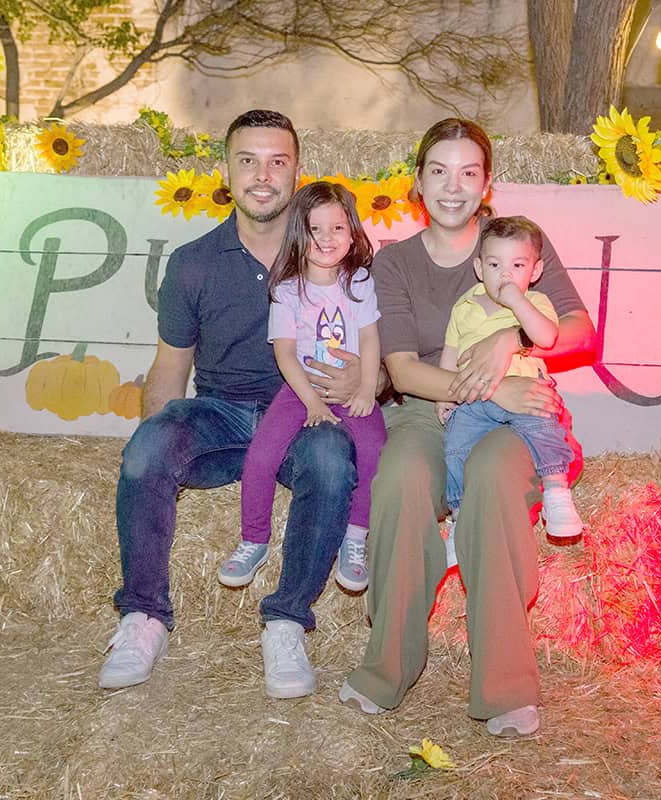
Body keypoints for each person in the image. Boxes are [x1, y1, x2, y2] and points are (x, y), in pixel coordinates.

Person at [339, 118, 597, 737]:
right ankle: (386, 668)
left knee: (490, 478)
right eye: (438, 170)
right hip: (432, 407)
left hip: (518, 414)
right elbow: (401, 368)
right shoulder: (395, 262)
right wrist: (489, 382)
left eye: (468, 172)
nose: (452, 187)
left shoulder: (516, 243)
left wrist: (511, 332)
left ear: (488, 184)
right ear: (417, 183)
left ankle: (506, 684)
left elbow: (581, 330)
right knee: (400, 479)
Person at [99, 110, 364, 701]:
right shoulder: (193, 262)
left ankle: (287, 622)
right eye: (248, 160)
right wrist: (156, 449)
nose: (262, 175)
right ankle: (143, 618)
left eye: (277, 161)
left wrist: (361, 380)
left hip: (302, 414)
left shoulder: (334, 259)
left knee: (329, 461)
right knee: (148, 450)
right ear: (226, 170)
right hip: (220, 411)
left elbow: (378, 349)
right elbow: (171, 368)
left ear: (298, 171)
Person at [219, 181, 386, 594]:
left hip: (350, 389)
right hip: (300, 390)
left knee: (373, 449)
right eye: (316, 229)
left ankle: (355, 537)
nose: (327, 239)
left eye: (338, 228)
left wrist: (366, 388)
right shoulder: (287, 288)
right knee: (261, 455)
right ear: (299, 233)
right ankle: (253, 539)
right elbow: (286, 354)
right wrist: (311, 402)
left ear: (353, 232)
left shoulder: (359, 281)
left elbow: (369, 338)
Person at [436, 215, 583, 568]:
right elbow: (451, 352)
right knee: (455, 447)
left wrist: (518, 303)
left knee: (544, 426)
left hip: (525, 391)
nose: (505, 274)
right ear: (478, 267)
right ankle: (458, 517)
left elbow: (547, 337)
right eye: (494, 264)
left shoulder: (537, 302)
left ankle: (556, 491)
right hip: (474, 397)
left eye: (517, 265)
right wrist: (444, 393)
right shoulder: (465, 306)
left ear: (534, 271)